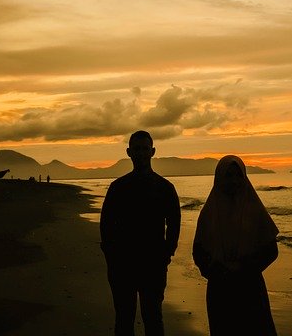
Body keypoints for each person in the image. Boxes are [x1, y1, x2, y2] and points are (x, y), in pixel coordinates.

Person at [100, 130, 181, 336]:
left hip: (153, 265)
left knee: (153, 317)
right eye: (137, 149)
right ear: (129, 152)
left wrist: (167, 253)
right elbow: (106, 226)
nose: (141, 153)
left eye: (145, 149)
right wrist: (111, 257)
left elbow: (174, 223)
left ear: (153, 151)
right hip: (122, 265)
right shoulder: (118, 188)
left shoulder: (165, 188)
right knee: (124, 319)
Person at [192, 155, 279, 336]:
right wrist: (217, 270)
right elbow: (198, 251)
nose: (233, 181)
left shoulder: (254, 209)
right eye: (228, 175)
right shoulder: (209, 212)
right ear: (219, 178)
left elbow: (271, 250)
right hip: (220, 288)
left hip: (250, 287)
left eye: (238, 176)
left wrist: (244, 267)